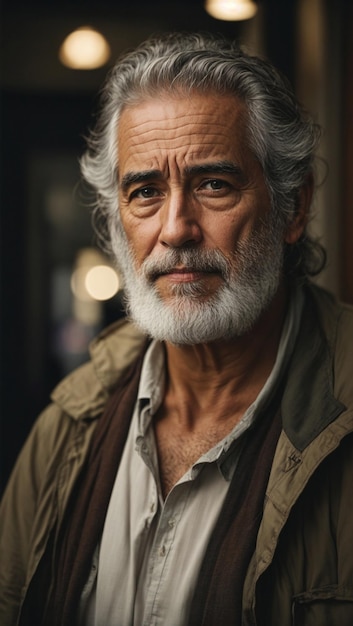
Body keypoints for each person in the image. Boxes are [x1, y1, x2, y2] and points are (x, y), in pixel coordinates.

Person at [1, 32, 353, 626]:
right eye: (145, 192)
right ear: (117, 224)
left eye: (214, 184)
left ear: (293, 208)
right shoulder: (66, 428)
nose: (176, 229)